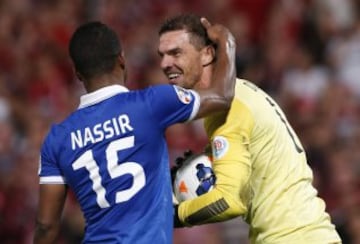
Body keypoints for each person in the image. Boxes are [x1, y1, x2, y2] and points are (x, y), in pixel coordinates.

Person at [33, 19, 236, 244]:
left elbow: (46, 226)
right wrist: (226, 41)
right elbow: (222, 96)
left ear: (78, 73)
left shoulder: (56, 139)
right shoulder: (151, 103)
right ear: (121, 59)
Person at [158, 14, 342, 243]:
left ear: (206, 54)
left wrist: (169, 215)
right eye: (162, 55)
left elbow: (228, 200)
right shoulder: (241, 94)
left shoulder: (230, 109)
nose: (165, 64)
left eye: (176, 53)